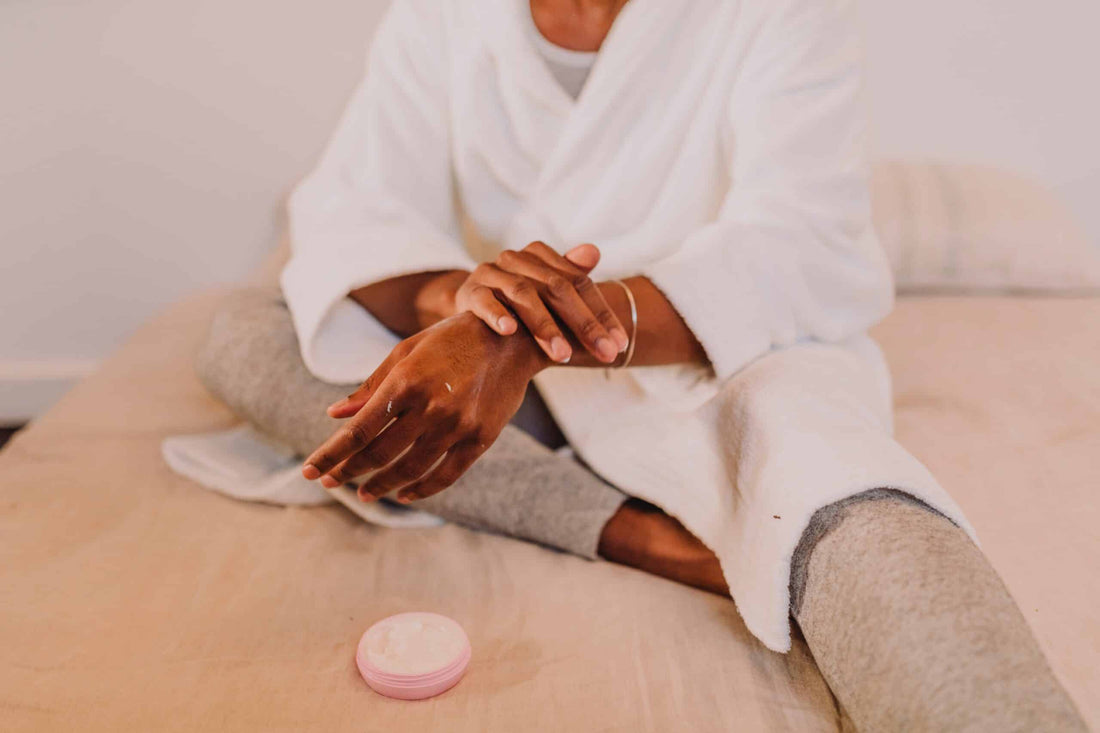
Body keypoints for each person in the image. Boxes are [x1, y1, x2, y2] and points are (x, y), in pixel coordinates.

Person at [198, 0, 1086, 728]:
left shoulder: (780, 12)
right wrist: (469, 307)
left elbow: (800, 247)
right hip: (508, 381)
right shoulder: (443, 16)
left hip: (720, 358)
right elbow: (359, 209)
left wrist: (519, 334)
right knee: (248, 330)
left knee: (848, 497)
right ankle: (639, 533)